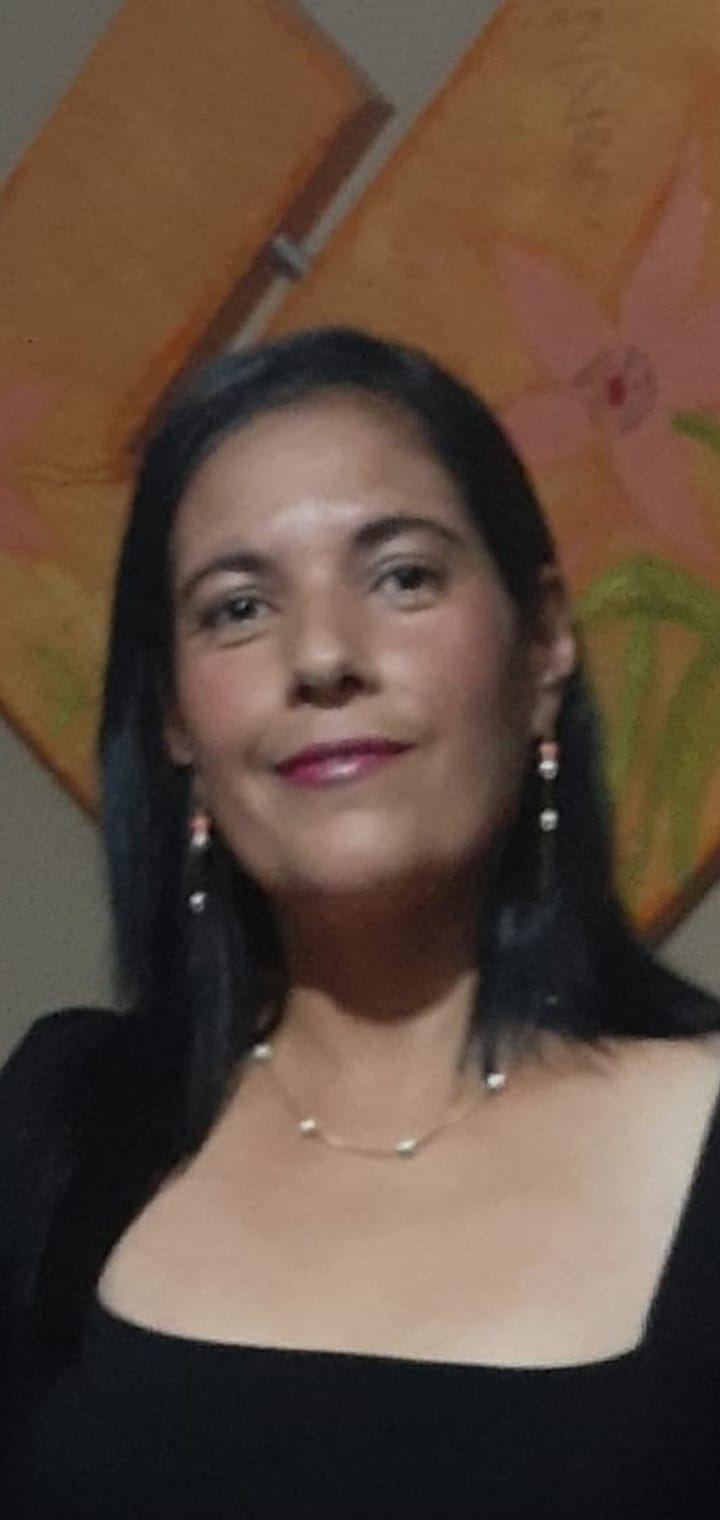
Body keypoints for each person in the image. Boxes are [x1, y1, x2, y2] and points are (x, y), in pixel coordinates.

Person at [1, 325, 720, 1518]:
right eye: (238, 606)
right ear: (175, 718)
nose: (324, 655)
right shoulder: (63, 1125)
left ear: (544, 642)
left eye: (403, 577)